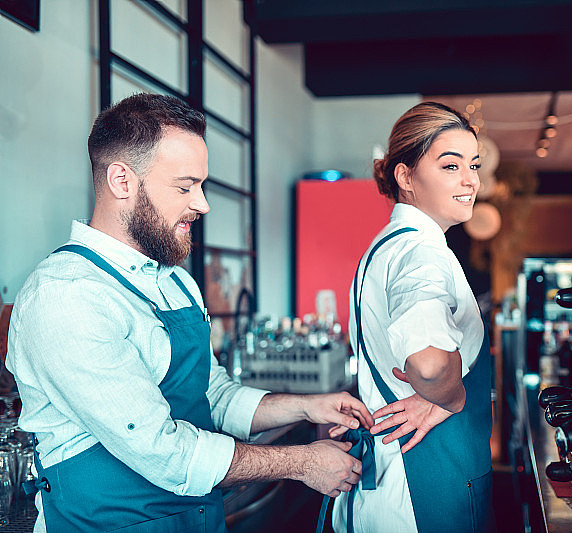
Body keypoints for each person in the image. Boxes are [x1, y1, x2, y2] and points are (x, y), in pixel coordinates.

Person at [7, 93, 373, 532]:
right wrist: (300, 462)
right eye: (185, 187)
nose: (203, 204)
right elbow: (160, 449)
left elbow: (212, 397)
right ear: (121, 182)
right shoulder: (67, 296)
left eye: (200, 185)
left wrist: (305, 407)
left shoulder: (176, 282)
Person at [329, 102, 494, 532]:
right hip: (425, 484)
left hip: (393, 473)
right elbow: (428, 361)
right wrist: (451, 397)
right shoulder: (421, 251)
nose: (470, 180)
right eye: (450, 165)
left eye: (473, 165)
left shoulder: (387, 246)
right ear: (405, 177)